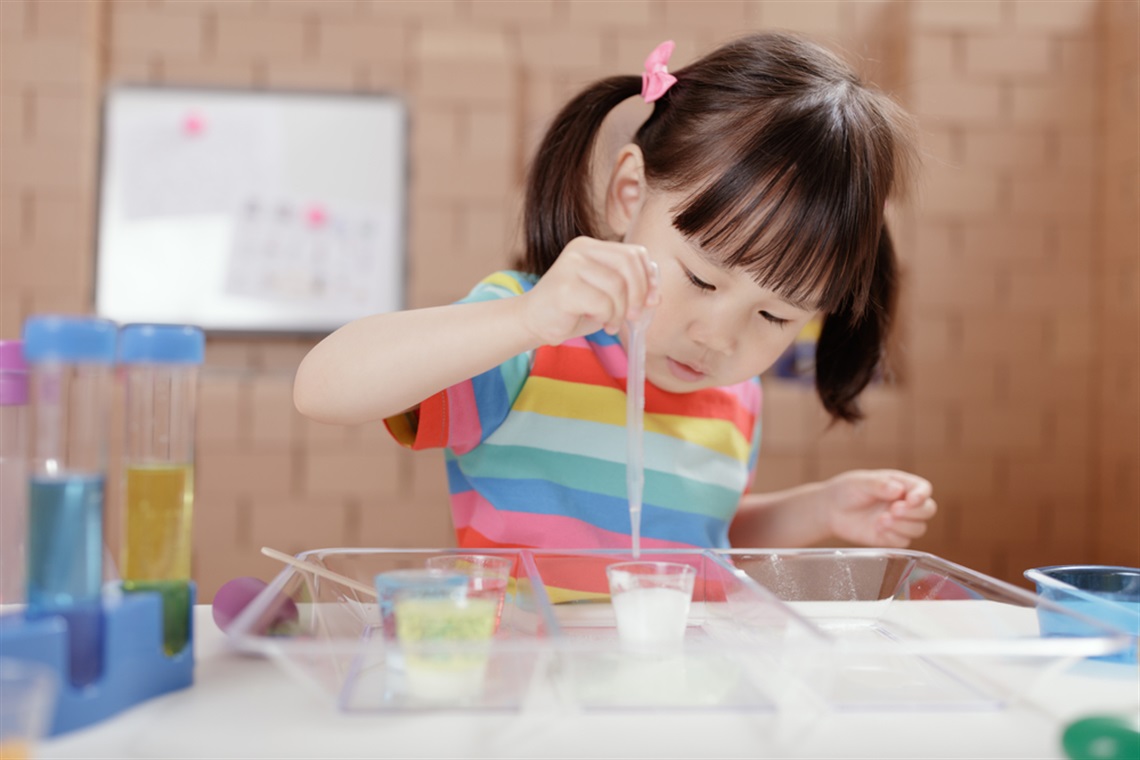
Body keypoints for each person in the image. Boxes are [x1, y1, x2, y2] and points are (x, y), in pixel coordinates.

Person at [294, 32, 937, 557]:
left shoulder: (736, 394)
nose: (720, 336)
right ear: (631, 192)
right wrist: (524, 319)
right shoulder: (530, 340)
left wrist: (819, 507)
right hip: (534, 692)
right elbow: (322, 388)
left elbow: (700, 535)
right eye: (702, 279)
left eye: (775, 315)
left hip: (659, 698)